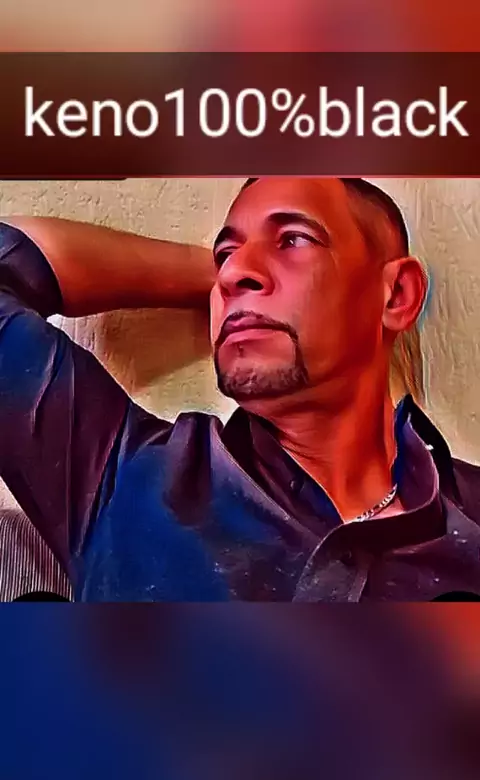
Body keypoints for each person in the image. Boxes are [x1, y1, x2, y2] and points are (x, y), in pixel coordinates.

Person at [1, 176, 480, 602]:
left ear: (396, 295)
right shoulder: (120, 473)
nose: (231, 274)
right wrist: (218, 279)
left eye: (294, 239)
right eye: (225, 255)